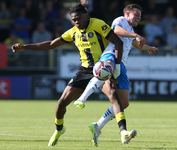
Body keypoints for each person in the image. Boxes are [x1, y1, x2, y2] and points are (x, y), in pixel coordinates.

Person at [11, 3, 134, 147]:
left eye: (79, 19)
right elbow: (51, 44)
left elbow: (117, 42)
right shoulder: (73, 32)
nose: (77, 22)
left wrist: (115, 66)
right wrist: (25, 47)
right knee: (61, 103)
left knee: (114, 96)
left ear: (86, 16)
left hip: (102, 68)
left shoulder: (97, 24)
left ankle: (123, 131)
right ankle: (59, 129)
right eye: (74, 20)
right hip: (84, 71)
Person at [74, 4, 159, 146]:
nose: (139, 17)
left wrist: (149, 48)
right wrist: (136, 35)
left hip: (122, 64)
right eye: (136, 14)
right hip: (111, 54)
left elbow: (135, 44)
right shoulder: (121, 21)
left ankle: (97, 126)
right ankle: (82, 98)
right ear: (127, 14)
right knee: (104, 71)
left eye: (140, 15)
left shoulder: (130, 30)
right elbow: (117, 31)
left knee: (124, 102)